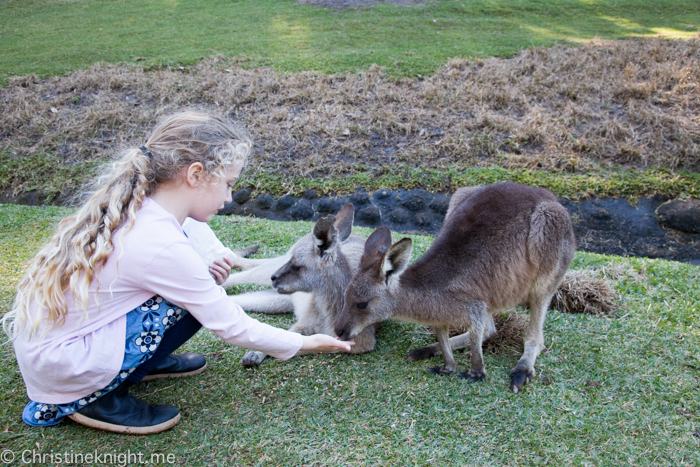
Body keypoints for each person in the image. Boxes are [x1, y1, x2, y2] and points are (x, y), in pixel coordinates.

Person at [3, 111, 353, 435]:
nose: (230, 197)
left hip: (57, 351)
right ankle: (97, 399)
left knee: (199, 289)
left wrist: (206, 272)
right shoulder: (159, 241)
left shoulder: (142, 204)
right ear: (196, 175)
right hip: (65, 368)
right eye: (228, 184)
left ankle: (141, 365)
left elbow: (186, 262)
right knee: (200, 297)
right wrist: (307, 342)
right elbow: (231, 325)